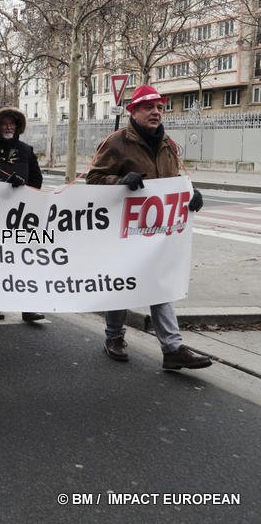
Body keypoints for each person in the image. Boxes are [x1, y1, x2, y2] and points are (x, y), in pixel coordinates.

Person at [86, 84, 211, 370]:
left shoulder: (167, 143)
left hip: (157, 231)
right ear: (134, 111)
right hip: (123, 230)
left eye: (160, 108)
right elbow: (93, 180)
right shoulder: (115, 142)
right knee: (122, 282)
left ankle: (172, 348)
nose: (156, 113)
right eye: (149, 107)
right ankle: (114, 337)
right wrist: (118, 181)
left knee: (160, 284)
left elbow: (174, 179)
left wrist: (190, 194)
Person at [0, 106, 45, 324]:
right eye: (4, 123)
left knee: (24, 260)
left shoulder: (26, 150)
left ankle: (27, 306)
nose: (8, 127)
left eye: (12, 123)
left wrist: (28, 199)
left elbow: (36, 179)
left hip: (21, 216)